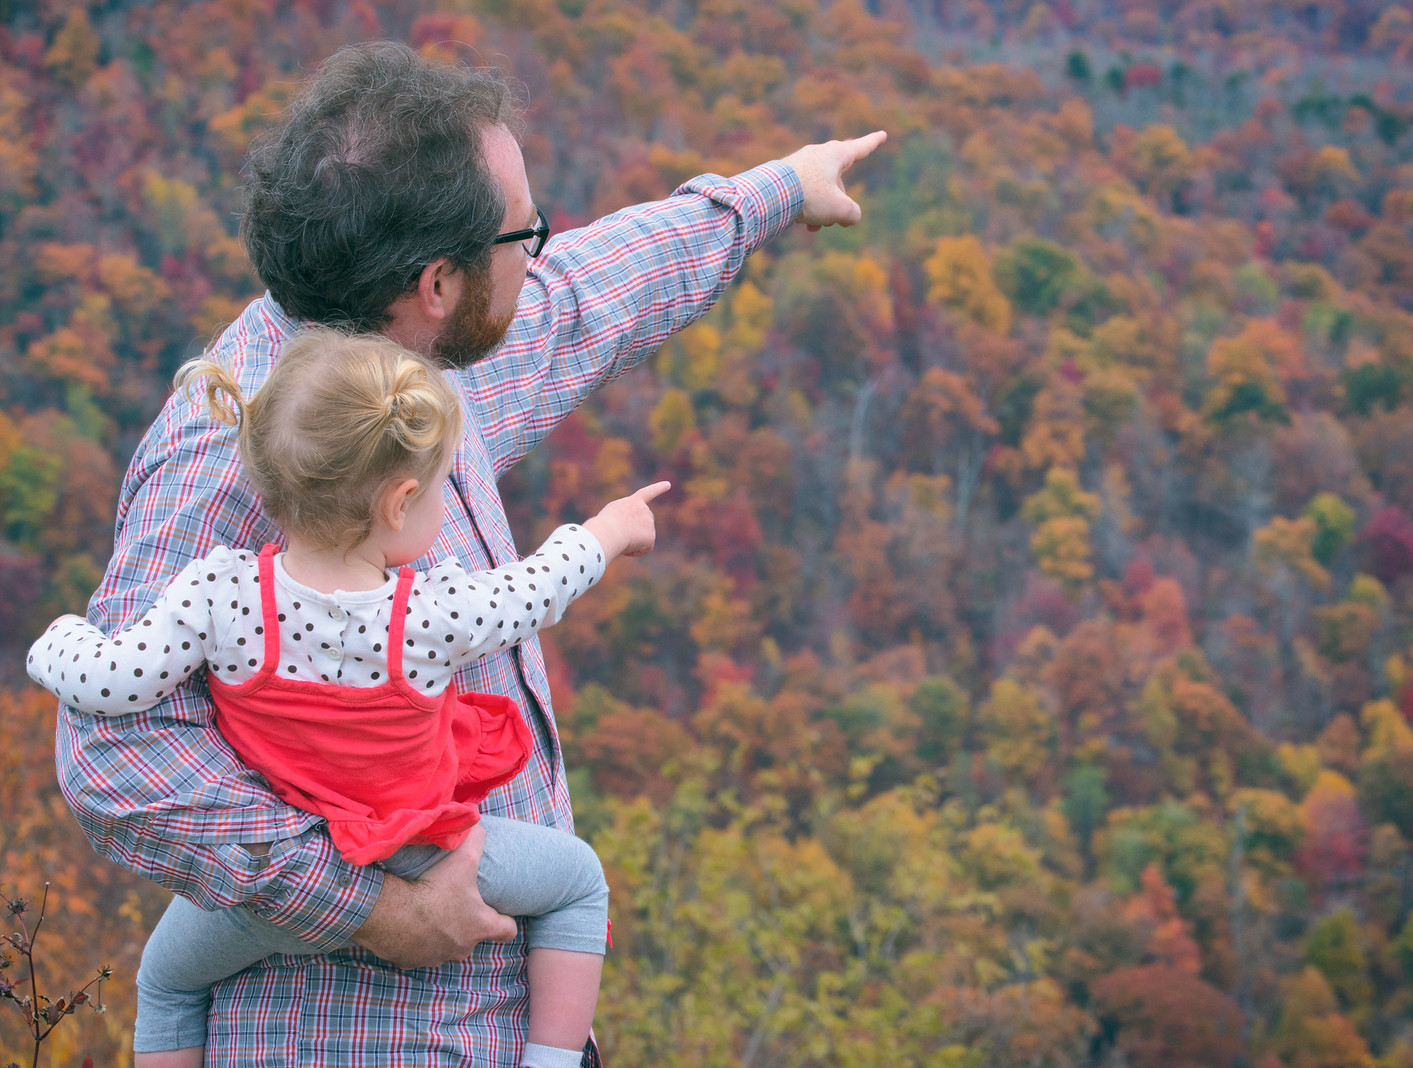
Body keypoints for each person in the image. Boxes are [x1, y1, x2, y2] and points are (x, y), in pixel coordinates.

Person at [55, 38, 883, 1064]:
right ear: (438, 282)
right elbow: (115, 757)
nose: (537, 254)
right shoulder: (241, 445)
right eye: (521, 233)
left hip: (493, 1018)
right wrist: (362, 903)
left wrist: (773, 192)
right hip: (360, 1035)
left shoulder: (403, 376)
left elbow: (580, 302)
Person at [32, 331, 666, 1068]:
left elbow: (112, 683)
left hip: (292, 884)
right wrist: (611, 529)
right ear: (400, 502)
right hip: (428, 855)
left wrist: (57, 642)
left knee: (169, 983)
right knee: (579, 882)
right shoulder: (430, 614)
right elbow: (539, 589)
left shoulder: (222, 594)